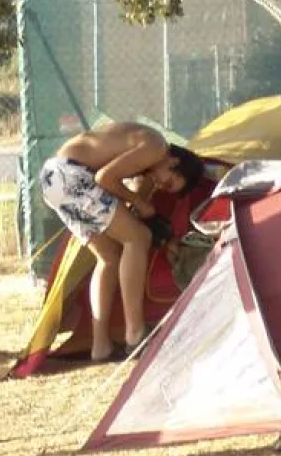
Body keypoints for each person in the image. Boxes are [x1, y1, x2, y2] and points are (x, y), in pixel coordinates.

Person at [40, 121, 204, 361]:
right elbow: (105, 178)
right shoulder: (156, 146)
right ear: (173, 162)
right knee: (138, 238)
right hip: (71, 174)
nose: (159, 185)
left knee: (109, 257)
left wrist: (162, 233)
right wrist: (138, 204)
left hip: (53, 179)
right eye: (166, 181)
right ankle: (136, 333)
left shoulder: (147, 165)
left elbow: (134, 206)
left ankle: (100, 346)